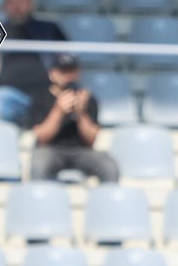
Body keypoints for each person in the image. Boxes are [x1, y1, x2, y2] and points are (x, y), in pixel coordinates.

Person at [0, 0, 68, 126]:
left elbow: (68, 61)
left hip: (47, 93)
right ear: (5, 5)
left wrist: (59, 82)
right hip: (8, 94)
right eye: (12, 0)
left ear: (30, 3)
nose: (17, 5)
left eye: (21, 0)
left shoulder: (49, 29)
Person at [28, 53, 118, 184]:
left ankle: (107, 202)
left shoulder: (88, 100)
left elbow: (91, 140)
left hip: (81, 151)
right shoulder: (40, 98)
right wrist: (58, 111)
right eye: (63, 71)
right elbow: (41, 137)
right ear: (52, 73)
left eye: (72, 70)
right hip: (50, 149)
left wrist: (81, 113)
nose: (68, 75)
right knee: (38, 163)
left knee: (109, 166)